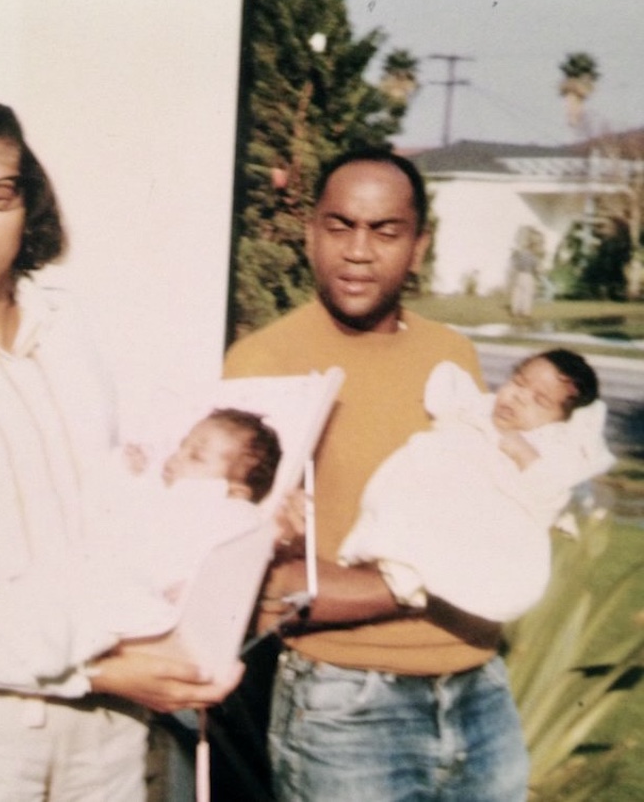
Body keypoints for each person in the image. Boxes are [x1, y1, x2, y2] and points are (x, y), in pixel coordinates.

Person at [0, 91, 241, 802]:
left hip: (106, 736)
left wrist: (234, 515)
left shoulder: (71, 337)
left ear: (27, 204)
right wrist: (95, 665)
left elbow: (113, 521)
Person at [223, 147, 530, 801]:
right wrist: (433, 578)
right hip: (348, 708)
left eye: (385, 230)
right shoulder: (263, 364)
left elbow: (488, 518)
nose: (358, 250)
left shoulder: (453, 355)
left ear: (419, 245)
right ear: (311, 232)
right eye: (340, 226)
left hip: (480, 692)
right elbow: (261, 585)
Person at [339, 349, 614, 623]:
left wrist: (526, 457)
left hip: (486, 516)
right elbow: (452, 408)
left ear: (560, 422)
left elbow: (550, 495)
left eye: (539, 400)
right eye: (518, 382)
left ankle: (411, 570)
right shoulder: (478, 409)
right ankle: (390, 554)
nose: (518, 396)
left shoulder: (548, 448)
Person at [113, 407, 282, 598]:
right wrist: (134, 475)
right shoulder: (165, 490)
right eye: (182, 445)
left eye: (196, 457)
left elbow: (244, 555)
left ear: (235, 491)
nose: (177, 456)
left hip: (180, 599)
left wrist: (199, 586)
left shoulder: (236, 512)